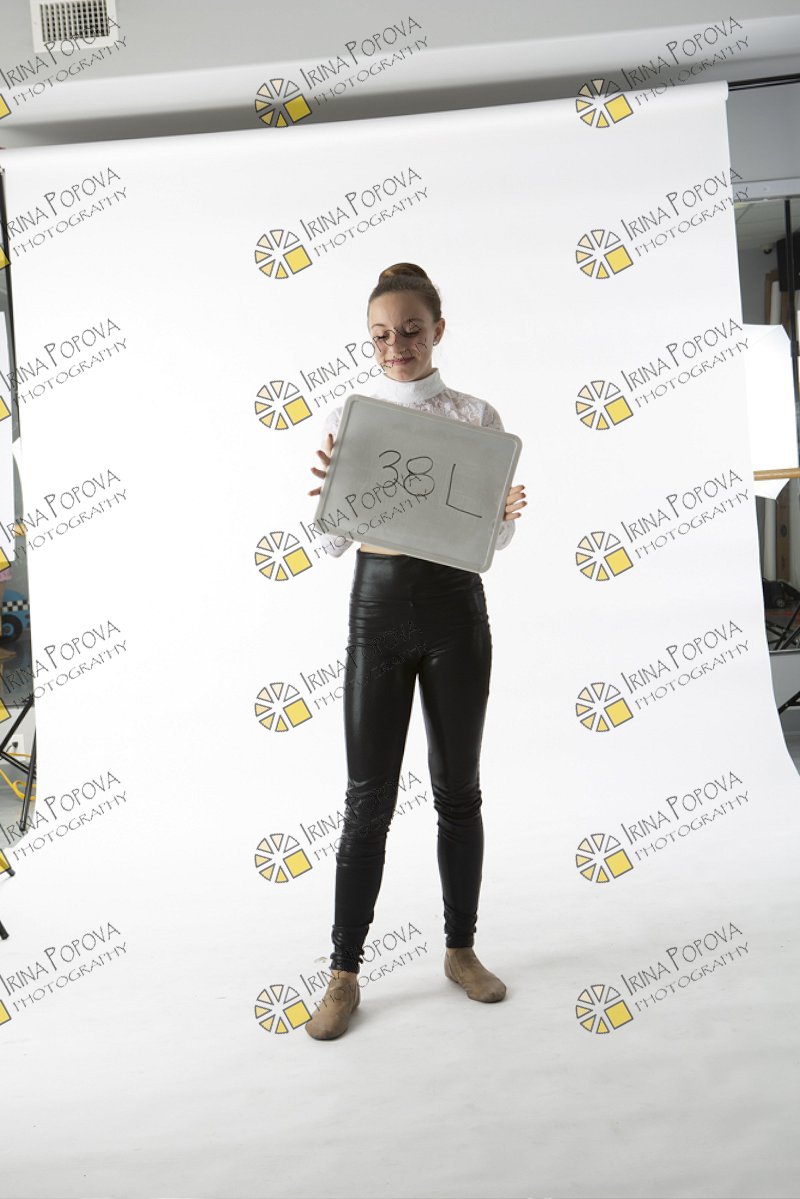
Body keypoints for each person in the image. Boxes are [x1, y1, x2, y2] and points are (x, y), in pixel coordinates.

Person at [304, 263, 526, 1040]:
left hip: (455, 610)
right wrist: (329, 495)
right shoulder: (352, 416)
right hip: (378, 606)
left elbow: (489, 541)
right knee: (366, 800)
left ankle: (461, 950)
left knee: (458, 790)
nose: (395, 345)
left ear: (437, 329)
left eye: (409, 329)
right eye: (380, 335)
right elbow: (329, 543)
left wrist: (504, 512)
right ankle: (343, 973)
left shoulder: (476, 415)